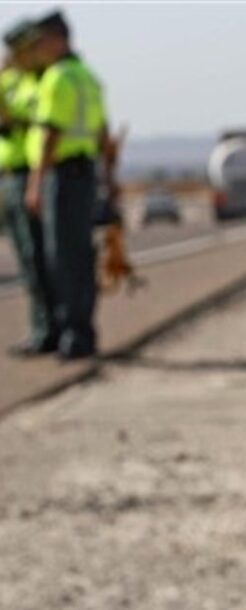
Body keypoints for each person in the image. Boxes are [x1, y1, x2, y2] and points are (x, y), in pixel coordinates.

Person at [25, 10, 112, 360]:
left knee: (62, 257)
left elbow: (50, 133)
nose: (38, 50)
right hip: (85, 173)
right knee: (79, 255)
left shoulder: (58, 78)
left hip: (62, 175)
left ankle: (73, 335)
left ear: (58, 39)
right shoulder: (87, 77)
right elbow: (104, 132)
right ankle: (82, 331)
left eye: (41, 42)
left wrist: (35, 183)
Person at [0, 19, 58, 356]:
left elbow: (37, 122)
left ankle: (48, 329)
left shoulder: (38, 82)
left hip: (28, 173)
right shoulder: (10, 80)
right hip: (9, 174)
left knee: (38, 257)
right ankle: (42, 326)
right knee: (26, 257)